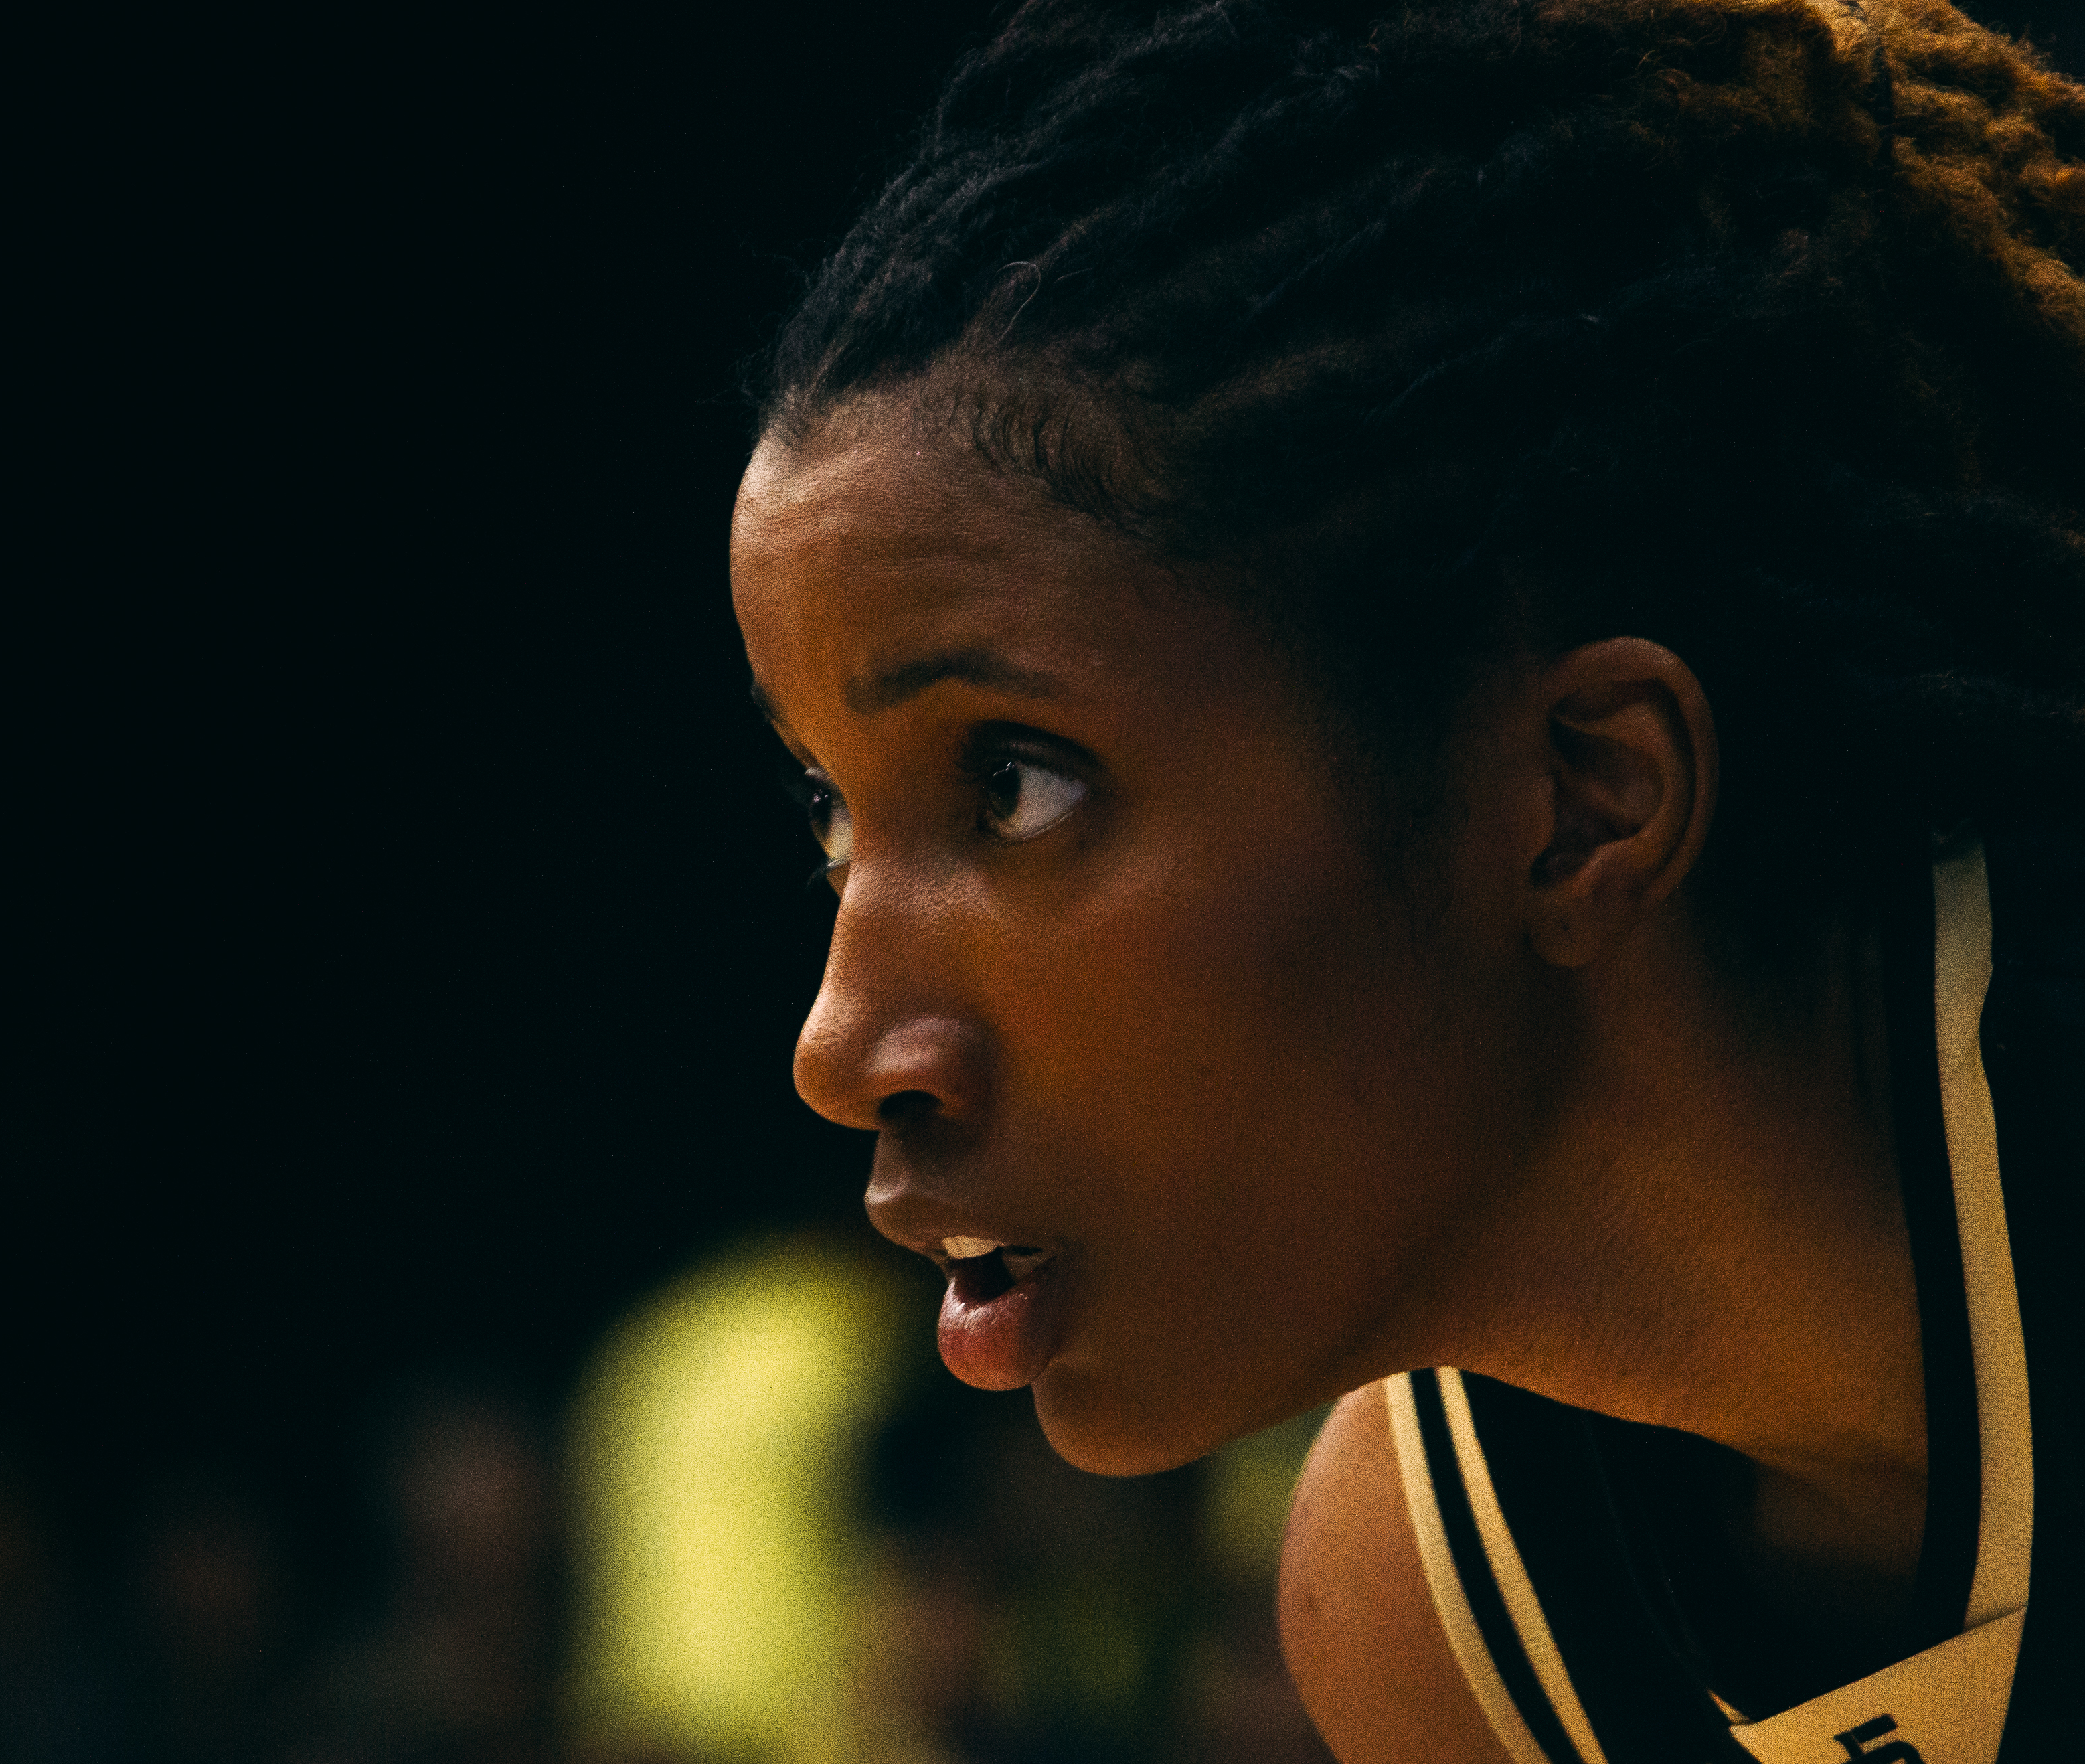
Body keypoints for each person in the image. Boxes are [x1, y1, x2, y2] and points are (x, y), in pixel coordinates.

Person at [726, 0, 2084, 1758]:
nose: (841, 1049)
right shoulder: (1429, 1608)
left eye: (1017, 780)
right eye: (835, 809)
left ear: (1584, 801)